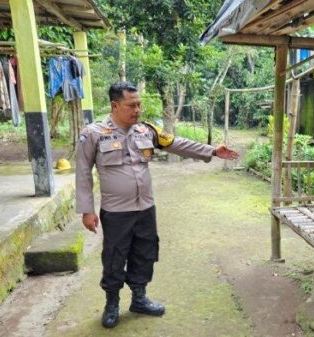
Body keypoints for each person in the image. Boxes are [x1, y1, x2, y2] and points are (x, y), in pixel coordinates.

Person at [76, 81, 239, 328]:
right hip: (116, 211)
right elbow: (82, 174)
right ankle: (112, 303)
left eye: (139, 104)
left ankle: (139, 299)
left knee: (144, 253)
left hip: (145, 208)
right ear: (114, 105)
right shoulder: (93, 134)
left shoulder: (146, 131)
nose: (137, 109)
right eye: (132, 105)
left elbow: (177, 143)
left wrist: (213, 151)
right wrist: (87, 210)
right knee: (114, 257)